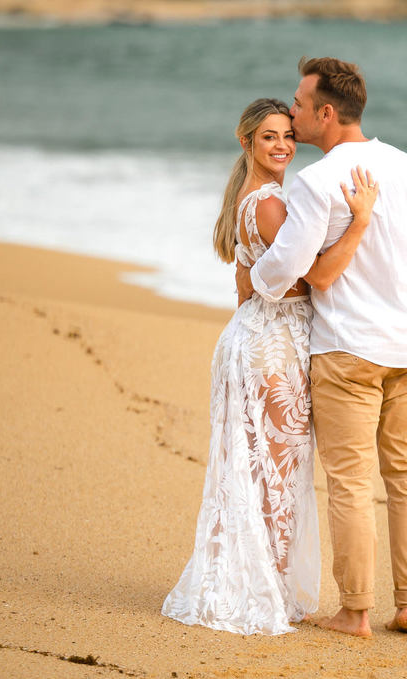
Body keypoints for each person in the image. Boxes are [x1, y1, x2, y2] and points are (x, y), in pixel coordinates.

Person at [240, 57, 407, 638]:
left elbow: (279, 274)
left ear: (326, 113)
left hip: (348, 348)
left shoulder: (318, 180)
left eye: (300, 105)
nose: (294, 112)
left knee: (350, 479)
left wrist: (264, 275)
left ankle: (355, 611)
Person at [162, 98, 378, 636]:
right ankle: (266, 593)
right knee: (277, 478)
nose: (282, 145)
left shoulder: (251, 196)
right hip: (272, 351)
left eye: (287, 135)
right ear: (247, 143)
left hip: (255, 340)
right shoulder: (271, 203)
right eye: (268, 138)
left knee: (259, 474)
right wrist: (359, 225)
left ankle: (255, 583)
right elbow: (308, 280)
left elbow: (249, 284)